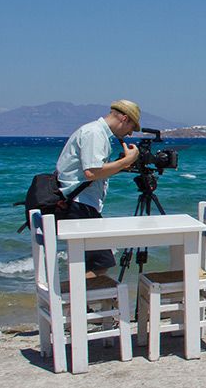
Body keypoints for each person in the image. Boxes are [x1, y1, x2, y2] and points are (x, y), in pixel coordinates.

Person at [56, 100, 142, 278]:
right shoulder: (95, 133)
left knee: (91, 261)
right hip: (79, 205)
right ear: (124, 119)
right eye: (131, 127)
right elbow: (92, 172)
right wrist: (126, 161)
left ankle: (82, 302)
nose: (130, 133)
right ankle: (79, 302)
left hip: (79, 203)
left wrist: (120, 166)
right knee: (101, 262)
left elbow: (92, 171)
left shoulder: (95, 131)